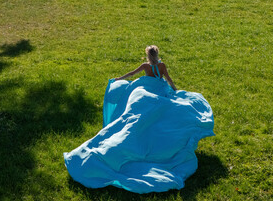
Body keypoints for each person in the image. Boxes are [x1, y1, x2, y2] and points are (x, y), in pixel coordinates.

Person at [64, 45, 214, 194]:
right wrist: (176, 92)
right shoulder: (162, 65)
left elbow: (131, 74)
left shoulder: (145, 66)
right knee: (155, 116)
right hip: (158, 92)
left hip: (143, 92)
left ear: (148, 56)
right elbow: (168, 79)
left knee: (131, 116)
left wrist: (118, 79)